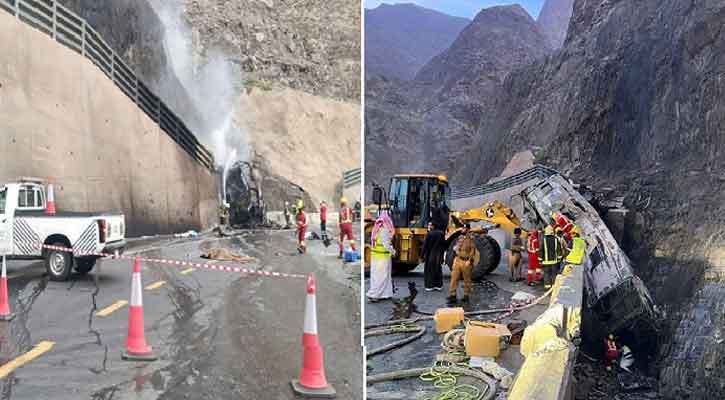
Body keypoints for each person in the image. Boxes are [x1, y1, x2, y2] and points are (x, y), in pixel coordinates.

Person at [367, 209, 395, 302]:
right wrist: (393, 251)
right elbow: (386, 244)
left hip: (375, 257)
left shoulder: (376, 228)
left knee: (378, 277)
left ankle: (385, 294)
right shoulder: (384, 230)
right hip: (382, 258)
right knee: (382, 278)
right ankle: (374, 295)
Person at [448, 228, 476, 305]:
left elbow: (473, 251)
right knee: (454, 278)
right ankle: (452, 295)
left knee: (467, 279)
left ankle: (466, 295)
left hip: (465, 261)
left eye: (464, 229)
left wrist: (469, 260)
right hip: (458, 260)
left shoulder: (470, 240)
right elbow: (455, 249)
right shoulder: (459, 238)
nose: (463, 230)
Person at [420, 225, 445, 291]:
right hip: (438, 254)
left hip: (430, 254)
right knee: (438, 269)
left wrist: (421, 256)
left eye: (430, 225)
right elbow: (443, 245)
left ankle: (430, 286)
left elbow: (425, 246)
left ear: (433, 226)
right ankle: (438, 285)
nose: (428, 226)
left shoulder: (429, 234)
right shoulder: (441, 234)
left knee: (429, 270)